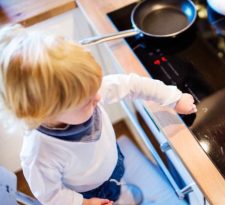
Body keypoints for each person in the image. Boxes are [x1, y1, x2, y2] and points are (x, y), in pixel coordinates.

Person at [0, 24, 197, 205]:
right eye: (87, 102)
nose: (99, 96)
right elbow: (50, 195)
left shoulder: (85, 91)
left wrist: (173, 98)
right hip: (89, 191)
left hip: (112, 161)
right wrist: (83, 203)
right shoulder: (38, 152)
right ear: (45, 112)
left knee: (117, 185)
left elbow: (132, 84)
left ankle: (120, 193)